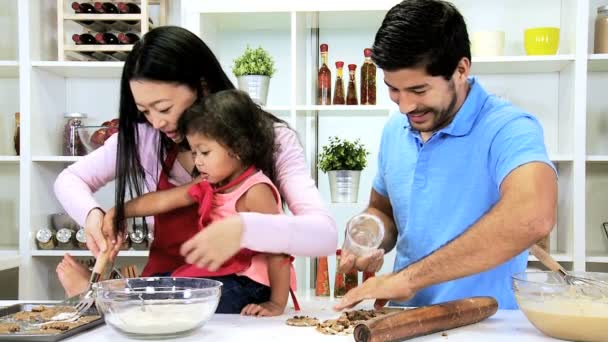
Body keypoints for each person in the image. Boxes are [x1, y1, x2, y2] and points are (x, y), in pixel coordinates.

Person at [54, 26, 337, 298]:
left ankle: (105, 296)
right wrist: (94, 216)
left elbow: (324, 235)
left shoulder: (272, 138)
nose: (157, 122)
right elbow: (70, 180)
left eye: (164, 108)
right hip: (168, 289)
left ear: (202, 87)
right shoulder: (147, 138)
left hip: (241, 298)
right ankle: (109, 295)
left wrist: (244, 229)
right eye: (145, 111)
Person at [334, 0, 557, 311]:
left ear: (461, 69)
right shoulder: (395, 130)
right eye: (393, 89)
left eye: (419, 90)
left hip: (485, 326)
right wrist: (369, 234)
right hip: (404, 320)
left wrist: (409, 279)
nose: (405, 106)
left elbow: (534, 217)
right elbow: (382, 209)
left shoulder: (508, 127)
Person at [102, 90, 294, 316]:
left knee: (177, 302)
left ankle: (115, 300)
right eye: (194, 153)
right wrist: (120, 211)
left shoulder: (255, 192)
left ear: (238, 148)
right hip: (220, 276)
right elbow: (164, 200)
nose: (198, 161)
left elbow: (279, 250)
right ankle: (108, 295)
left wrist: (277, 302)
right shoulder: (208, 182)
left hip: (250, 285)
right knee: (157, 283)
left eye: (205, 152)